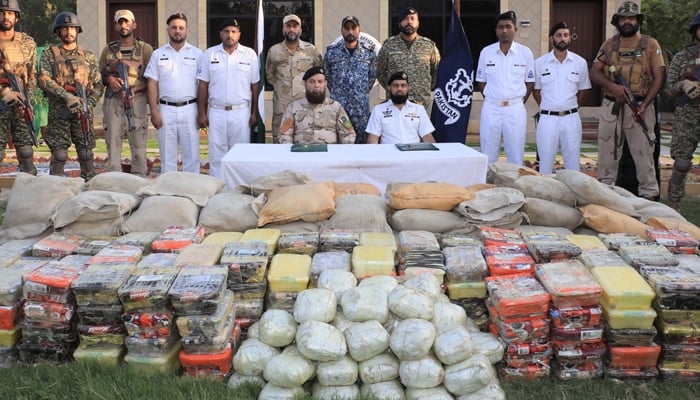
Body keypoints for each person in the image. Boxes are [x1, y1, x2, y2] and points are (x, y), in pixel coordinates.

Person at [590, 1, 665, 200]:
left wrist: (646, 104)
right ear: (618, 22)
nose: (627, 21)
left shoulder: (650, 44)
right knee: (607, 154)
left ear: (638, 21)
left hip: (640, 106)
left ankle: (649, 200)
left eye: (631, 18)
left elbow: (659, 77)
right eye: (623, 18)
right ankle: (606, 199)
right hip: (611, 106)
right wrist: (613, 86)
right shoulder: (609, 45)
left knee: (644, 156)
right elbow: (595, 72)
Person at [37, 12, 104, 180]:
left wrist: (90, 103)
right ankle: (55, 190)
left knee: (86, 154)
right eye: (64, 28)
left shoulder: (87, 56)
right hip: (59, 113)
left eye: (72, 28)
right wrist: (67, 97)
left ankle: (89, 190)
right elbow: (44, 79)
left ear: (77, 30)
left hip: (83, 112)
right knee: (59, 155)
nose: (68, 32)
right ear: (58, 32)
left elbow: (98, 83)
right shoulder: (49, 55)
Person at [197, 18, 259, 179]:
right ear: (220, 34)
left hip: (241, 111)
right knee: (217, 155)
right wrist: (202, 112)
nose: (229, 35)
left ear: (239, 34)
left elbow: (255, 86)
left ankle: (240, 188)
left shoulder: (249, 54)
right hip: (216, 111)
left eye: (233, 31)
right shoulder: (210, 54)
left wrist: (254, 113)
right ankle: (218, 188)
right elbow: (203, 85)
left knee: (241, 153)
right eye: (226, 31)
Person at [145, 13, 202, 174]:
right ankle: (168, 193)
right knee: (167, 154)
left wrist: (203, 112)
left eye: (181, 28)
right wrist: (154, 111)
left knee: (191, 154)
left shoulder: (197, 54)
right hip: (166, 109)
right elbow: (152, 83)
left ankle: (192, 190)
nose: (178, 31)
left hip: (190, 109)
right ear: (168, 30)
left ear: (187, 31)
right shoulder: (158, 54)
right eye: (174, 28)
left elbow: (203, 85)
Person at [476, 11, 535, 165]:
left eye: (508, 27)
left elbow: (529, 82)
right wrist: (492, 98)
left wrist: (518, 100)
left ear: (515, 29)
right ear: (496, 30)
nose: (504, 31)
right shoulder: (486, 52)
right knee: (488, 151)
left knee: (515, 152)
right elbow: (481, 81)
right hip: (491, 107)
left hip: (515, 108)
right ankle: (487, 185)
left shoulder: (525, 53)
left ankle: (514, 185)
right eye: (500, 27)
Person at [99, 9, 153, 176]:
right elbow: (99, 74)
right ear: (116, 26)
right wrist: (110, 81)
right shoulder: (109, 50)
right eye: (120, 22)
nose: (124, 25)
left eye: (127, 22)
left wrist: (134, 89)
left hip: (136, 99)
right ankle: (114, 176)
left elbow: (151, 79)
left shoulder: (145, 49)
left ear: (134, 24)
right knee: (113, 139)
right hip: (113, 100)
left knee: (138, 139)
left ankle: (140, 175)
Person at [532, 22, 591, 175]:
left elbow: (583, 90)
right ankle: (545, 194)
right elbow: (536, 90)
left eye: (565, 35)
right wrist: (548, 106)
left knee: (572, 162)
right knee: (545, 162)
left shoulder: (580, 63)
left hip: (571, 118)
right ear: (552, 38)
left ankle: (573, 197)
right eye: (559, 35)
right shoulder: (539, 63)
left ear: (570, 38)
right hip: (547, 119)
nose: (562, 38)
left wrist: (572, 107)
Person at [266, 14, 322, 143]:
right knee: (281, 143)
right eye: (288, 26)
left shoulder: (311, 50)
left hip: (305, 108)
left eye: (295, 26)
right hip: (282, 108)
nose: (292, 29)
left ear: (300, 30)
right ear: (283, 29)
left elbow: (318, 75)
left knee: (305, 144)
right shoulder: (274, 51)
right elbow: (270, 76)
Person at [665, 12, 700, 211]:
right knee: (681, 164)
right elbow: (668, 90)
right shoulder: (682, 57)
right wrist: (683, 84)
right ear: (695, 31)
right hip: (687, 115)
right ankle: (673, 206)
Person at [376, 6, 440, 115]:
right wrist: (392, 87)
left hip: (421, 103)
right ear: (400, 23)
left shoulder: (429, 46)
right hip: (396, 102)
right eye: (405, 19)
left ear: (418, 22)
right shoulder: (388, 46)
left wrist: (422, 87)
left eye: (412, 18)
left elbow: (437, 72)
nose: (409, 22)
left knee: (421, 132)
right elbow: (380, 72)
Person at [324, 16, 376, 144]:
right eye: (347, 28)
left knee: (360, 147)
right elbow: (327, 78)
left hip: (360, 110)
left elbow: (371, 78)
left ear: (359, 30)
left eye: (353, 28)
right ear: (342, 30)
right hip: (338, 109)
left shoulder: (369, 53)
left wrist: (358, 94)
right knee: (337, 145)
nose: (350, 31)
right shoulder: (331, 53)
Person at [0, 0, 37, 175]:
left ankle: (29, 190)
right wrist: (4, 92)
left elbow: (32, 75)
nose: (5, 16)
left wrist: (27, 100)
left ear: (16, 17)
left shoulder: (27, 43)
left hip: (21, 103)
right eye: (2, 12)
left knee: (26, 151)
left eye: (10, 13)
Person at [278, 66, 355, 144]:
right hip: (302, 153)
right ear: (305, 84)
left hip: (329, 154)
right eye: (312, 82)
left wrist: (342, 153)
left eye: (320, 81)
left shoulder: (336, 108)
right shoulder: (293, 108)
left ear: (325, 83)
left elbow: (348, 134)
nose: (316, 85)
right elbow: (284, 134)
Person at [366, 71, 435, 144]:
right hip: (389, 153)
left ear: (408, 88)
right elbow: (373, 137)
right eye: (395, 85)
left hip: (414, 152)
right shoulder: (378, 110)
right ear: (389, 88)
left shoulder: (419, 109)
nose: (399, 89)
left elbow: (427, 136)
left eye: (403, 85)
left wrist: (434, 154)